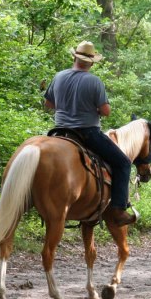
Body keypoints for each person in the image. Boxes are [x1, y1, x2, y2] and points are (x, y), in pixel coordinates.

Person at [44, 41, 136, 226]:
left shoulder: (59, 76)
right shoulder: (94, 81)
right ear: (92, 62)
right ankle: (118, 210)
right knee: (123, 163)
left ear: (74, 57)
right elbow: (106, 111)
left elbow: (49, 104)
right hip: (87, 133)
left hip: (59, 132)